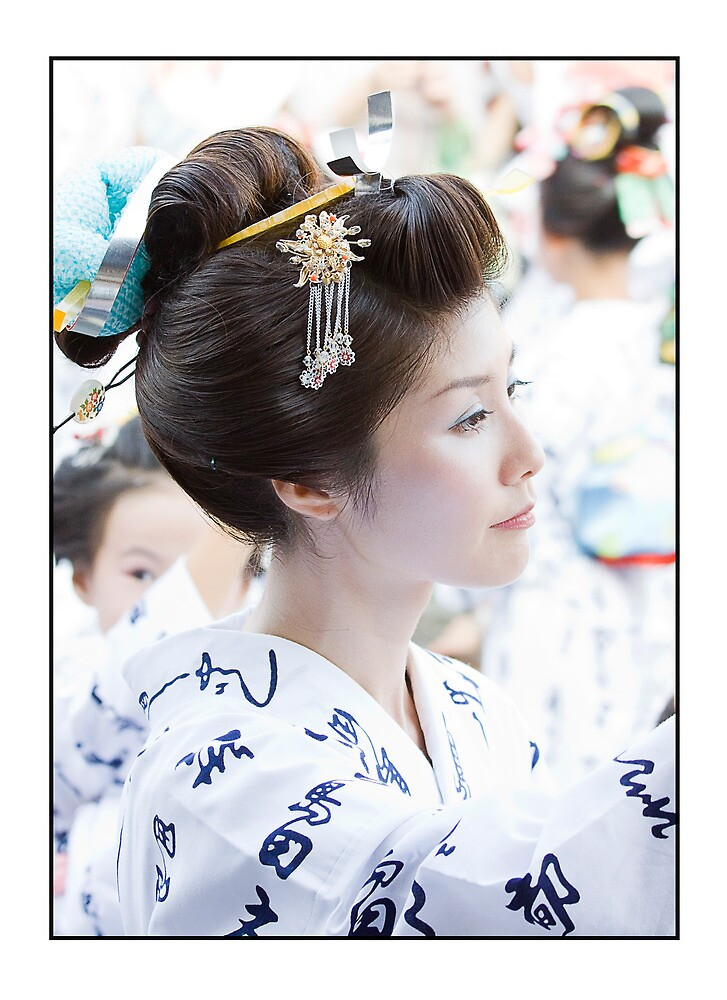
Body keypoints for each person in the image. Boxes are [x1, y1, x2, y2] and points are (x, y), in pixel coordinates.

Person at [54, 125, 674, 937]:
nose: (528, 454)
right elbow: (473, 902)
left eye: (511, 386)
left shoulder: (471, 707)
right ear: (309, 481)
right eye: (470, 417)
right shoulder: (220, 778)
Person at [479, 87, 675, 788]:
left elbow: (512, 480)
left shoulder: (561, 352)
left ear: (552, 235)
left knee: (543, 799)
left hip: (554, 604)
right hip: (643, 598)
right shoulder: (654, 331)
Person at [53, 417, 261, 933]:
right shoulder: (69, 675)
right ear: (84, 578)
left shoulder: (268, 675)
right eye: (142, 573)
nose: (160, 599)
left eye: (187, 578)